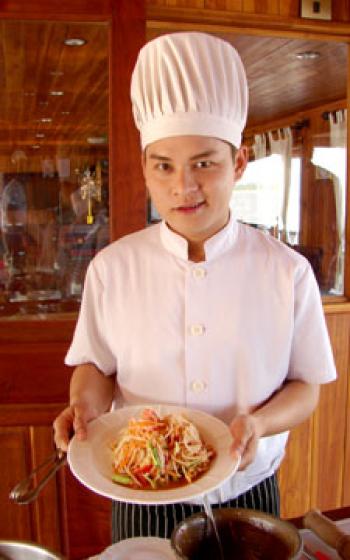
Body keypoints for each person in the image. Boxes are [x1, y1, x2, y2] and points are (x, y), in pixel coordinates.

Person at [53, 32, 337, 541]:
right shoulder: (112, 268)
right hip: (140, 490)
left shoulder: (286, 271)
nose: (183, 186)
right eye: (164, 166)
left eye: (204, 163)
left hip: (247, 489)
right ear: (145, 168)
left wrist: (261, 424)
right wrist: (86, 408)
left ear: (240, 163)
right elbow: (95, 365)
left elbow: (306, 386)